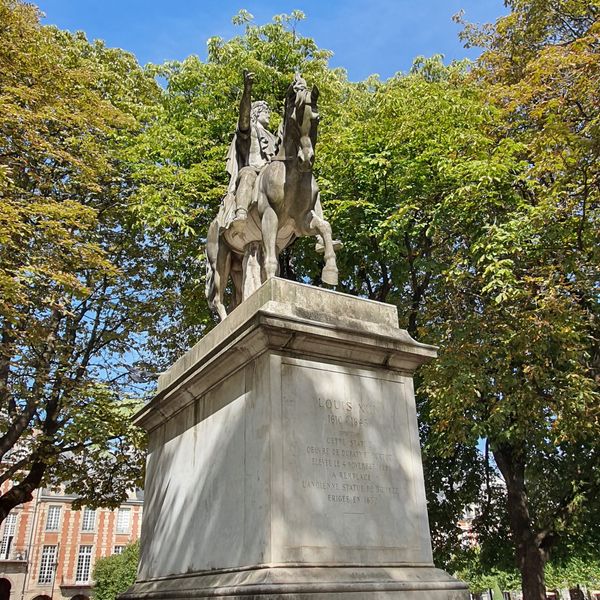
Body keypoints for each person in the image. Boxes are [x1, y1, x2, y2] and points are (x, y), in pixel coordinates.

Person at [217, 71, 279, 230]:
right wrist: (248, 89)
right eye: (266, 112)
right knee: (247, 174)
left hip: (270, 172)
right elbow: (244, 115)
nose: (269, 116)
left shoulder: (272, 137)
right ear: (257, 113)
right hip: (254, 169)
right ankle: (241, 213)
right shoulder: (249, 130)